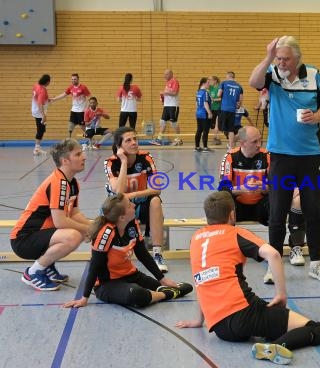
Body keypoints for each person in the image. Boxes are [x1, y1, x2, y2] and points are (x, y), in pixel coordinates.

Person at [175, 191, 320, 365]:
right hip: (244, 315)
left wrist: (199, 320)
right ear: (232, 214)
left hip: (219, 327)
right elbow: (274, 255)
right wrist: (281, 294)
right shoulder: (235, 233)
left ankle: (267, 335)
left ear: (207, 216)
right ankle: (274, 346)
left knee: (268, 318)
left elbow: (202, 280)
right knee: (315, 328)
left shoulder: (196, 239)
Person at [249, 36, 320, 283]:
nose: (282, 62)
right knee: (277, 214)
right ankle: (273, 266)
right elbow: (253, 81)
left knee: (313, 212)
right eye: (279, 58)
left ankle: (316, 264)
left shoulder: (314, 75)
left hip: (309, 156)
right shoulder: (272, 73)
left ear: (298, 58)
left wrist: (316, 117)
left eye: (286, 58)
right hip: (280, 156)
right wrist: (267, 57)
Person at [63, 193, 193, 309]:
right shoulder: (105, 234)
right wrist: (84, 297)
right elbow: (94, 267)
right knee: (136, 294)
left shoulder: (132, 224)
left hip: (132, 276)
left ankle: (161, 292)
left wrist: (162, 279)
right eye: (129, 205)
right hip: (107, 284)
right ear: (122, 217)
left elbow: (142, 254)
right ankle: (166, 294)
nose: (133, 204)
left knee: (187, 287)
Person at [10, 139, 91, 291]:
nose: (84, 157)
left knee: (78, 232)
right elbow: (60, 222)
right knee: (73, 236)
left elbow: (74, 213)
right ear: (65, 160)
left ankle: (47, 266)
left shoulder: (72, 183)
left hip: (38, 235)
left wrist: (92, 227)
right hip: (23, 239)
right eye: (78, 154)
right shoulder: (59, 182)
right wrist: (86, 230)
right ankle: (33, 272)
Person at [104, 127, 169, 273]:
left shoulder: (146, 158)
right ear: (119, 146)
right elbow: (119, 193)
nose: (134, 143)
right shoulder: (111, 163)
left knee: (155, 201)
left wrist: (132, 195)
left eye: (135, 139)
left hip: (139, 206)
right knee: (116, 205)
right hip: (120, 210)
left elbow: (157, 188)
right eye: (128, 140)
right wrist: (123, 161)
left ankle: (157, 253)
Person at [218, 126, 270, 226]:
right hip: (238, 207)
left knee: (277, 198)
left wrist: (264, 187)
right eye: (254, 142)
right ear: (242, 143)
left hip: (261, 207)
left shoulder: (267, 156)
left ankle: (279, 241)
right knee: (221, 200)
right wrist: (242, 189)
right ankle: (227, 239)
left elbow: (277, 187)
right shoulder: (230, 157)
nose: (259, 145)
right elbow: (222, 189)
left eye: (260, 140)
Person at [51, 73, 91, 138]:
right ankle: (69, 140)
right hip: (73, 110)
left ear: (78, 79)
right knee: (70, 126)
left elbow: (89, 97)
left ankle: (92, 138)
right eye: (72, 79)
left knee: (82, 126)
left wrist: (87, 108)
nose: (73, 80)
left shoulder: (83, 87)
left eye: (75, 79)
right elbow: (64, 94)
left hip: (81, 111)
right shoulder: (70, 87)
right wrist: (54, 99)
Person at [151, 69, 182, 146]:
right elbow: (167, 94)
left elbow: (174, 93)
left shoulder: (175, 81)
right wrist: (162, 98)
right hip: (167, 106)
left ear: (171, 74)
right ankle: (159, 139)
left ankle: (178, 139)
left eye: (167, 74)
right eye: (164, 74)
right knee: (162, 122)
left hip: (173, 106)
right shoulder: (167, 83)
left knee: (173, 123)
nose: (165, 76)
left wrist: (164, 92)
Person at [218, 71, 243, 149]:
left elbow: (219, 94)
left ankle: (222, 140)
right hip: (232, 110)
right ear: (233, 77)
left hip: (224, 108)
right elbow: (240, 101)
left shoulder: (224, 83)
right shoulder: (239, 86)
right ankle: (231, 147)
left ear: (228, 76)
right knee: (230, 129)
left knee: (220, 127)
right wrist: (237, 105)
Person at [31, 74, 51, 156]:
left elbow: (40, 97)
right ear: (47, 82)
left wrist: (47, 99)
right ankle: (36, 149)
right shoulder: (42, 90)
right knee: (41, 130)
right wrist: (43, 115)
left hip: (34, 110)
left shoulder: (36, 85)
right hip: (39, 112)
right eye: (49, 82)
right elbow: (39, 103)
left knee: (42, 129)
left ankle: (37, 148)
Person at [195, 77, 213, 152]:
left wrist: (196, 112)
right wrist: (209, 113)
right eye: (208, 83)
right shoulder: (205, 92)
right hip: (204, 113)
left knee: (199, 130)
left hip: (199, 113)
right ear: (203, 83)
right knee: (205, 130)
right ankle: (205, 147)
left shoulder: (198, 92)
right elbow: (205, 103)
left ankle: (197, 147)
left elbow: (196, 103)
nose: (209, 84)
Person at [208, 76, 223, 145]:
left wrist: (214, 100)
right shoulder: (211, 88)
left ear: (215, 81)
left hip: (218, 108)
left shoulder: (219, 88)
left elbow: (221, 99)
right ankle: (215, 138)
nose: (209, 81)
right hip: (212, 108)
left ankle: (217, 138)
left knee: (217, 124)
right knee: (212, 125)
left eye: (210, 80)